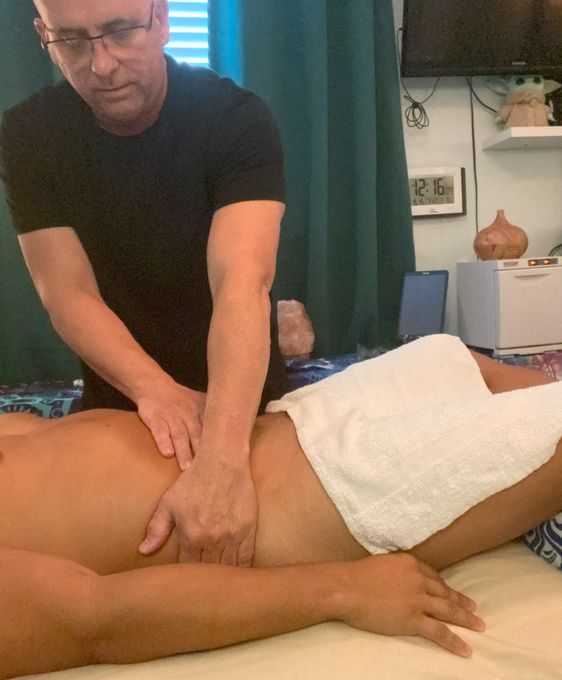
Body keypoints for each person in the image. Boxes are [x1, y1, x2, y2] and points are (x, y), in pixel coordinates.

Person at [2, 334, 562, 678]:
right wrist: (345, 589)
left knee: (458, 360)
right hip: (320, 492)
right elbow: (96, 619)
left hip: (282, 421)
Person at [0, 0, 288, 566]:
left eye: (120, 31)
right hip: (121, 399)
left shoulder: (235, 118)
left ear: (162, 20)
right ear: (43, 35)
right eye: (72, 42)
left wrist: (223, 458)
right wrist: (154, 389)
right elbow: (66, 292)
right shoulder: (28, 134)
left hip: (240, 403)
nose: (102, 65)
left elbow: (241, 282)